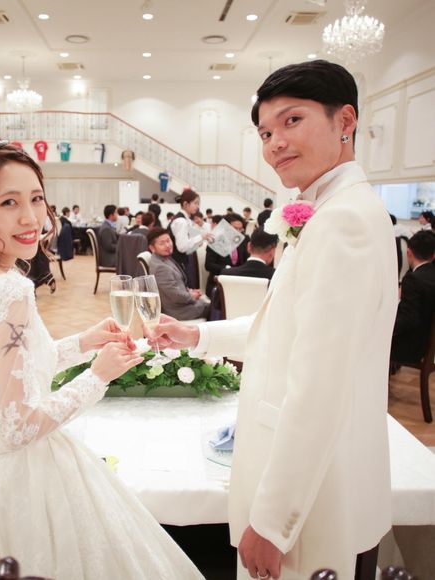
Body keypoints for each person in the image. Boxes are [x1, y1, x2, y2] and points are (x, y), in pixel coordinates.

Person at [0, 129, 203, 580]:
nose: (31, 217)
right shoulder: (10, 289)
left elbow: (4, 370)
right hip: (20, 479)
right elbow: (18, 426)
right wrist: (97, 376)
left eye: (36, 198)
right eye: (8, 202)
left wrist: (84, 342)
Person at [146, 60, 398, 580]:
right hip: (319, 480)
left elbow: (320, 386)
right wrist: (195, 333)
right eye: (264, 132)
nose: (275, 143)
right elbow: (285, 330)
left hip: (313, 499)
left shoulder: (343, 221)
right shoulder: (330, 210)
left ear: (345, 120)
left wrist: (273, 522)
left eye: (292, 121)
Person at [391, 230, 435, 364]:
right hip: (426, 342)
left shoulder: (413, 280)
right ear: (433, 256)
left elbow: (408, 319)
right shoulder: (428, 275)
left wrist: (385, 329)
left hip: (410, 347)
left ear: (409, 252)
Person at [147, 228, 209, 321]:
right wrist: (192, 296)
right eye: (162, 243)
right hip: (178, 311)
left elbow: (175, 287)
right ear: (152, 248)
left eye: (168, 241)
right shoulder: (160, 268)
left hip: (180, 304)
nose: (167, 245)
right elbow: (175, 296)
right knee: (216, 307)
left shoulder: (163, 258)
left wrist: (189, 291)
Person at [168, 188, 213, 284]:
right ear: (185, 204)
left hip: (181, 261)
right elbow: (182, 247)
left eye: (198, 203)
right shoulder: (181, 221)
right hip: (178, 263)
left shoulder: (185, 220)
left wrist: (200, 239)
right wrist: (201, 237)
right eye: (195, 203)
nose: (197, 206)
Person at [204, 213, 249, 297]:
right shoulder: (215, 241)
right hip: (219, 284)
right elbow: (208, 265)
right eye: (235, 228)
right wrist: (228, 269)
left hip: (237, 282)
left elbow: (246, 261)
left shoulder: (242, 241)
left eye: (240, 229)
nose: (238, 232)